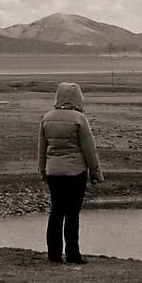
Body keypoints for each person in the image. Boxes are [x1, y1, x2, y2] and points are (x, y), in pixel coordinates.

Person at [37, 82, 104, 264]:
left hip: (53, 173)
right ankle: (73, 254)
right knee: (73, 213)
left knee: (56, 212)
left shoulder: (46, 118)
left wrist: (42, 171)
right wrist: (96, 174)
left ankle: (54, 255)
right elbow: (90, 150)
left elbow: (42, 149)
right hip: (76, 173)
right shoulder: (79, 119)